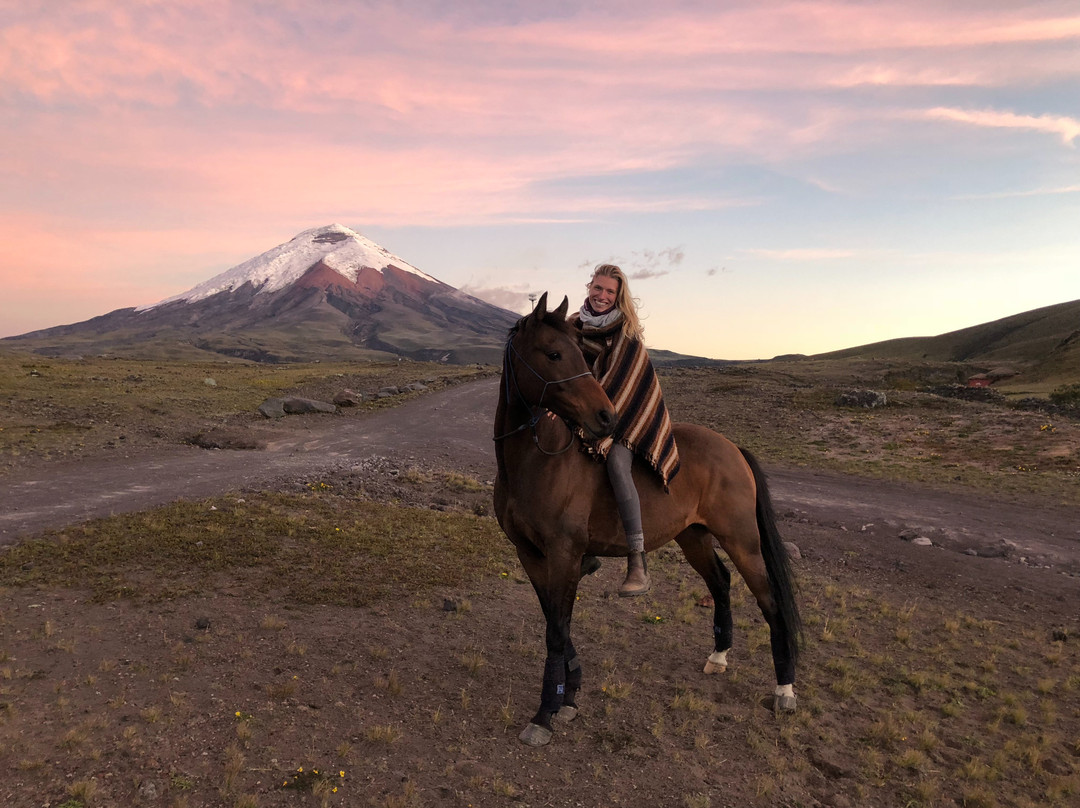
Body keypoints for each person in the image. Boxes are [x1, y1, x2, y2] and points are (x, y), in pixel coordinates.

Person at [569, 264, 680, 596]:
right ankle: (585, 551)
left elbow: (621, 386)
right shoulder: (573, 327)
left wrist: (587, 415)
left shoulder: (625, 333)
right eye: (598, 288)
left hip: (625, 417)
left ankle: (637, 559)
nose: (602, 296)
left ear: (619, 297)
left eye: (610, 292)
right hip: (584, 413)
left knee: (616, 464)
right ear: (589, 287)